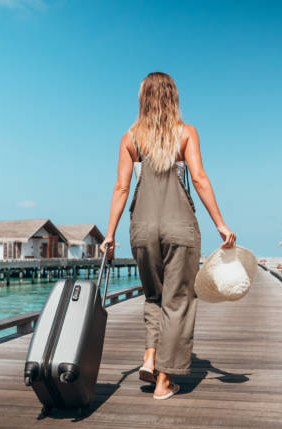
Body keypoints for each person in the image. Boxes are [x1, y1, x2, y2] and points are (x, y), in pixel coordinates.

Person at [100, 72, 236, 400]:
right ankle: (163, 380)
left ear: (143, 98)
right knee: (178, 302)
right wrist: (220, 222)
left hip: (142, 229)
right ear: (173, 97)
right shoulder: (186, 133)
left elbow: (121, 188)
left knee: (153, 297)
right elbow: (200, 178)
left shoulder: (131, 138)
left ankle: (149, 355)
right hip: (180, 228)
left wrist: (109, 234)